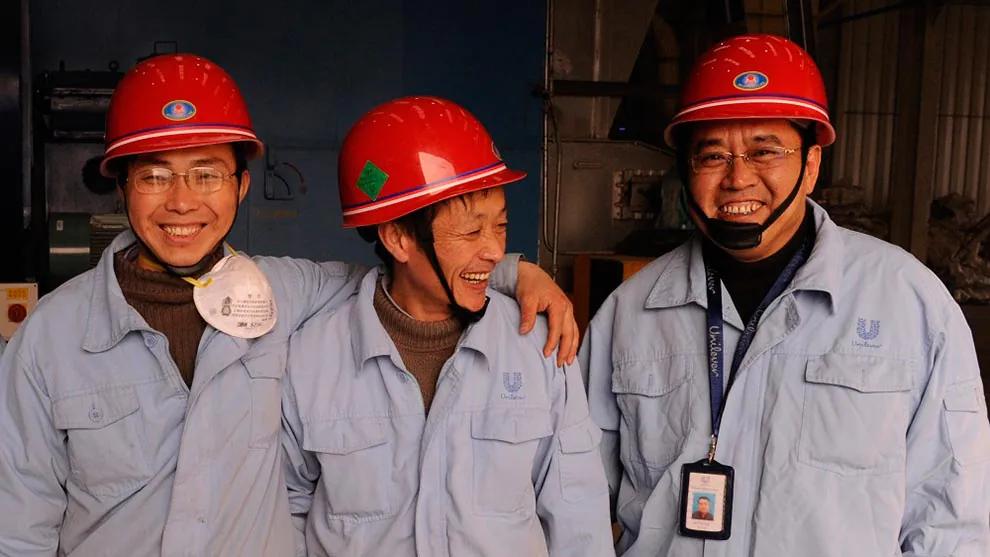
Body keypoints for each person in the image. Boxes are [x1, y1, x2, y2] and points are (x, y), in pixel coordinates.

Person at [0, 56, 578, 556]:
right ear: (121, 186)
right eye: (154, 176)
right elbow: (17, 524)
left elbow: (405, 269)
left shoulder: (287, 293)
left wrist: (512, 272)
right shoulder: (51, 336)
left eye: (207, 175)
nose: (182, 202)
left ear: (241, 187)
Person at [581, 34, 990, 556]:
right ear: (686, 169)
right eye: (712, 156)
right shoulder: (631, 313)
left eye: (764, 151)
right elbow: (577, 499)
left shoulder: (909, 305)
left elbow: (951, 518)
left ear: (812, 163)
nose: (737, 179)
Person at [281, 96, 614, 557]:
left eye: (500, 227)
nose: (496, 252)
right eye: (470, 232)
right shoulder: (311, 359)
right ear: (397, 236)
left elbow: (578, 519)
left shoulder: (541, 348)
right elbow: (286, 512)